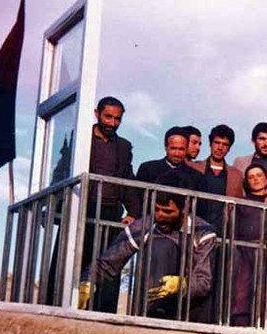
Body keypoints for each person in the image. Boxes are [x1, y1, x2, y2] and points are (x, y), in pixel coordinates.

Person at [80, 174, 217, 322]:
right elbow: (109, 262)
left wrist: (181, 285)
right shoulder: (144, 226)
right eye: (156, 209)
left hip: (191, 310)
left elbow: (204, 282)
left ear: (185, 208)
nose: (160, 216)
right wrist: (86, 282)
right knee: (159, 244)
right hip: (149, 306)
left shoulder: (203, 233)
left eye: (168, 211)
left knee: (163, 246)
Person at [47, 96, 141, 312]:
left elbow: (127, 180)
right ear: (97, 114)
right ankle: (55, 310)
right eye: (108, 117)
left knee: (108, 268)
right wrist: (53, 206)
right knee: (67, 263)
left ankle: (103, 316)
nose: (112, 123)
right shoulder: (80, 138)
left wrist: (133, 212)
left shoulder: (123, 147)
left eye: (117, 119)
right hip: (80, 209)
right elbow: (61, 172)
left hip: (110, 213)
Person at [232, 164, 267, 327]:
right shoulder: (241, 203)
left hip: (265, 252)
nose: (256, 179)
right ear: (247, 182)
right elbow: (234, 229)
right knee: (241, 293)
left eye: (259, 175)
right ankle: (239, 327)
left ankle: (264, 328)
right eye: (251, 177)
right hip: (243, 251)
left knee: (264, 294)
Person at [188, 124, 243, 233]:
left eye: (225, 144)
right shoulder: (194, 167)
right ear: (210, 144)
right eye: (217, 142)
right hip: (195, 228)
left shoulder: (236, 175)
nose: (220, 148)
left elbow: (238, 207)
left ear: (229, 148)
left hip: (222, 231)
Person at [136, 126, 205, 192]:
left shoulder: (197, 178)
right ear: (165, 147)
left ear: (186, 148)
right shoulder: (147, 169)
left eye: (181, 149)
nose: (177, 154)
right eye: (173, 148)